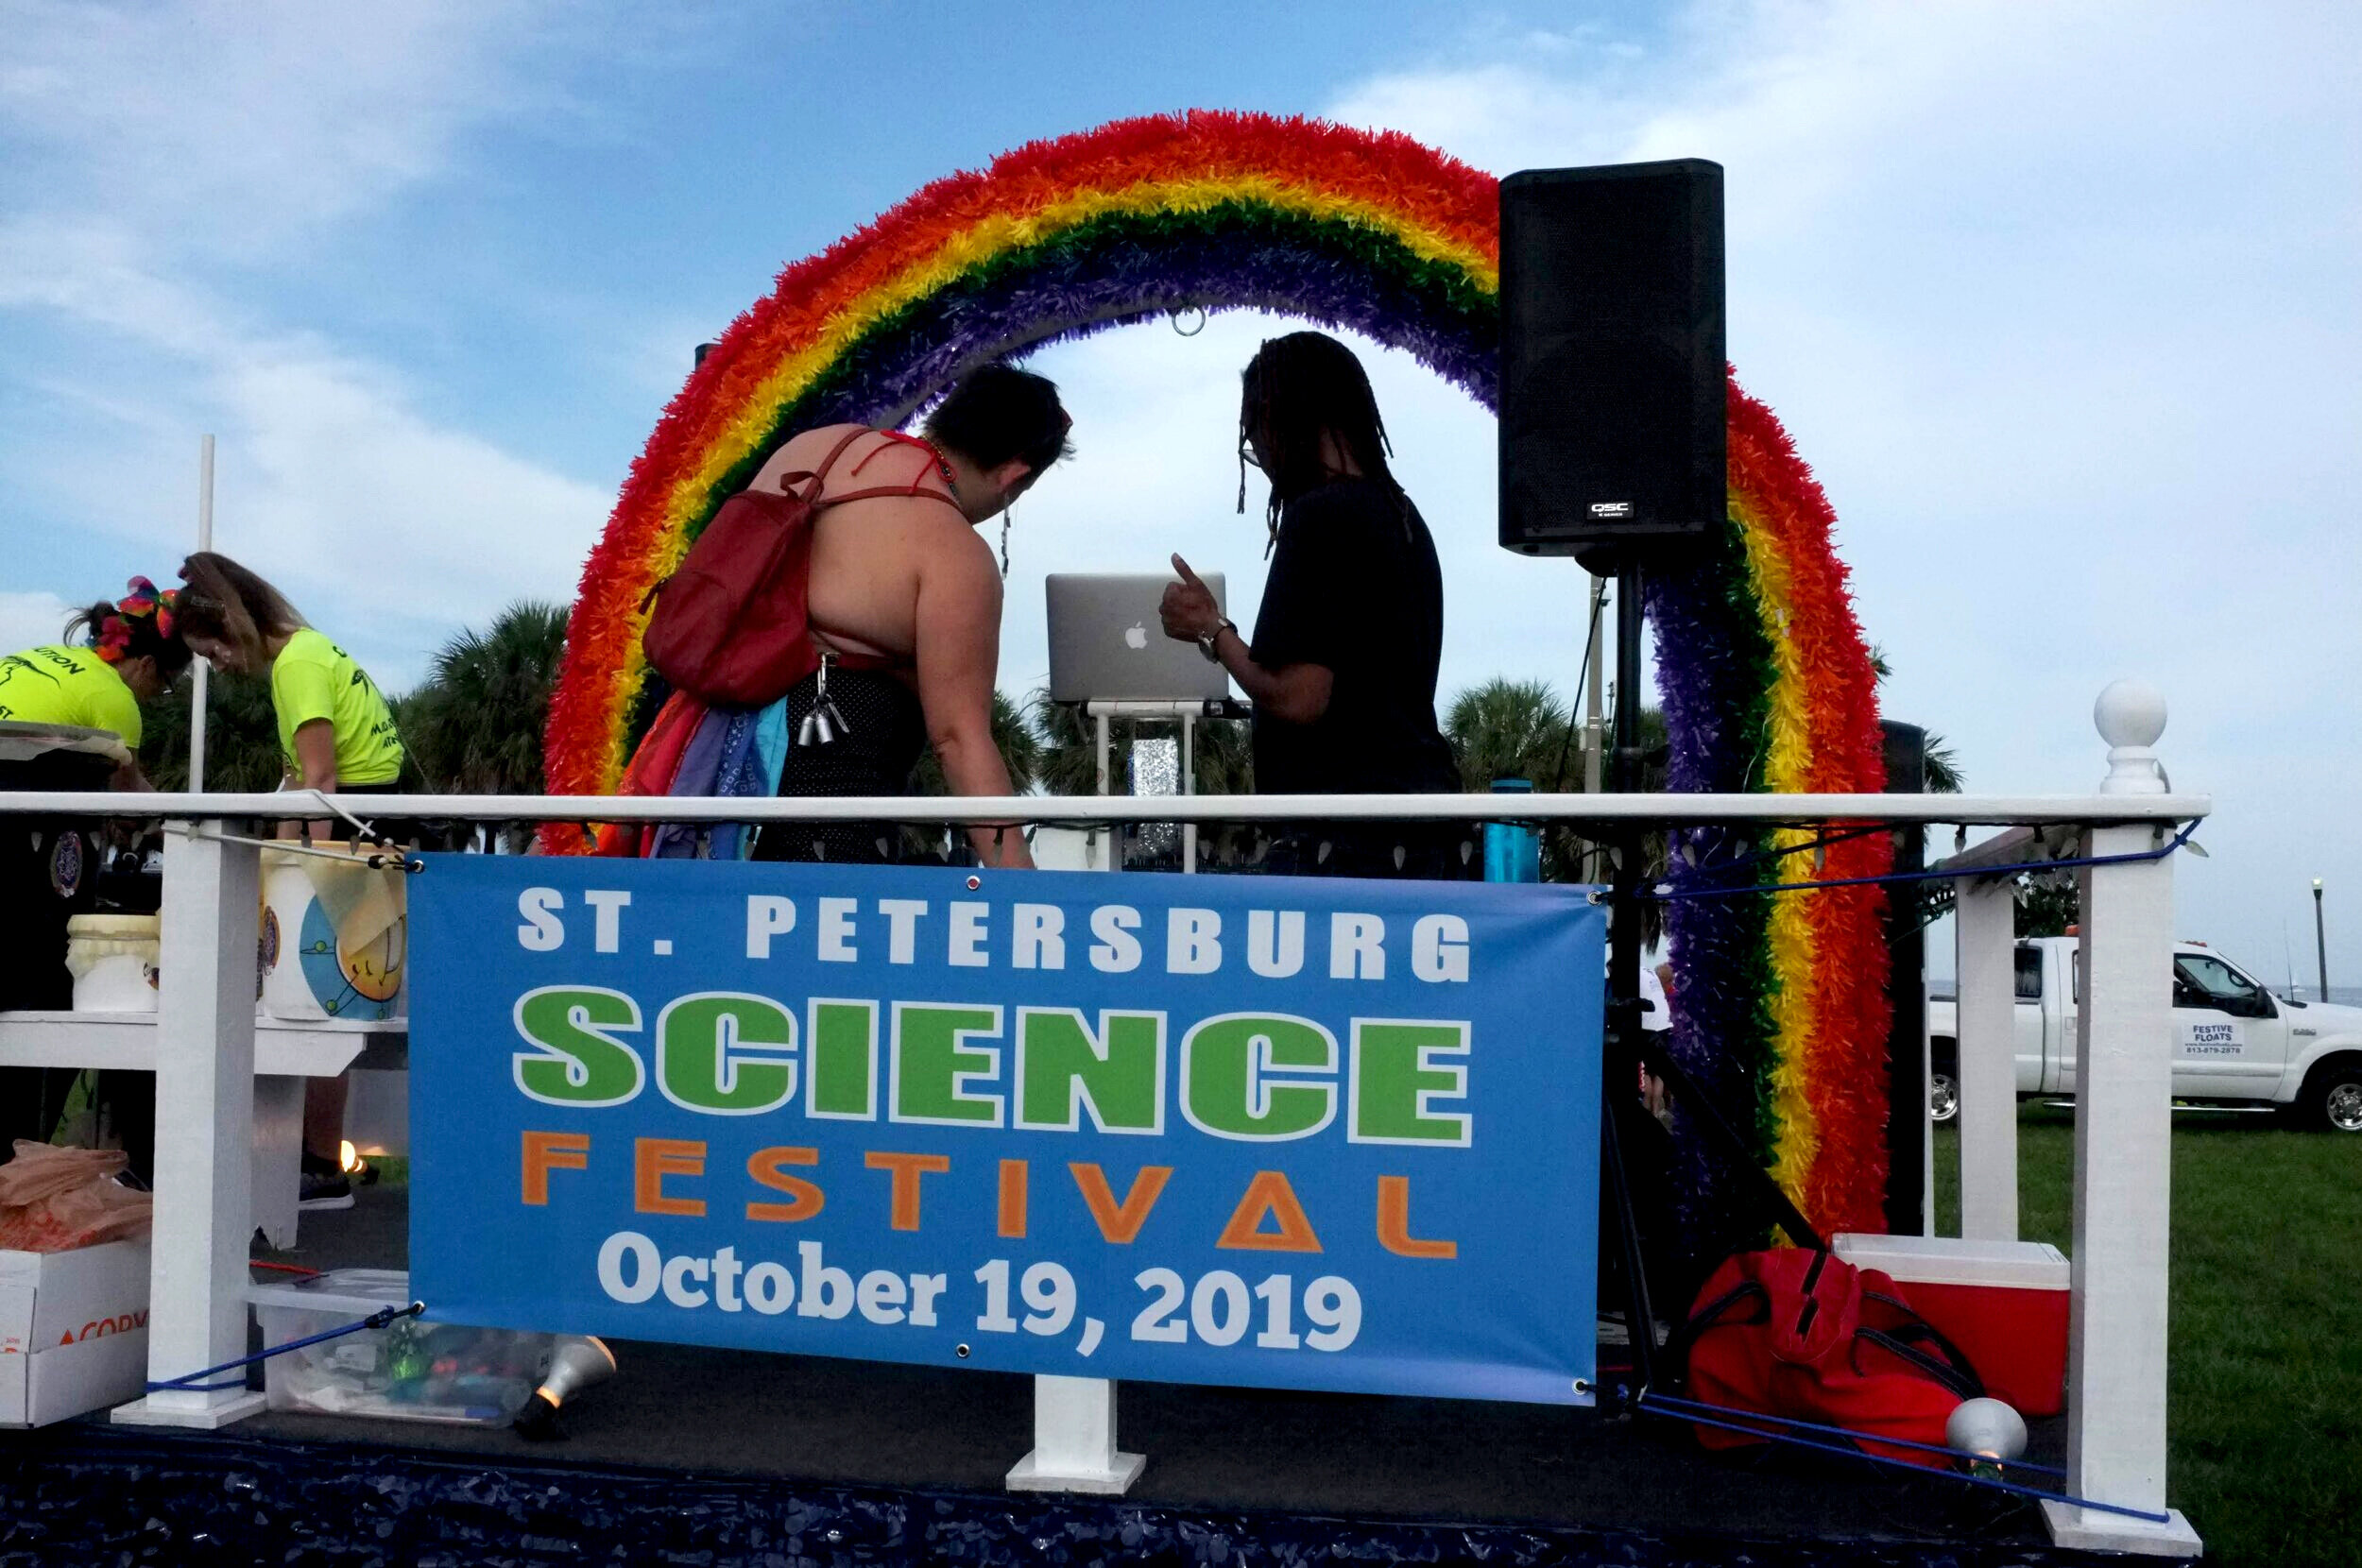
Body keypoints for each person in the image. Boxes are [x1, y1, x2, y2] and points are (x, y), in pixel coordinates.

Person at [1157, 331, 1470, 878]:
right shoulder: (1402, 515)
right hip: (1422, 824)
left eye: (1254, 437)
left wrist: (1211, 629)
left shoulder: (1321, 516)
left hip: (1344, 839)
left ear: (1281, 418)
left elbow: (1300, 697)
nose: (1261, 455)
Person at [745, 363, 1072, 869]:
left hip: (703, 775)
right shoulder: (956, 553)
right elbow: (958, 741)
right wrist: (1030, 895)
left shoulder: (818, 448)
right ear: (1014, 476)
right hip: (828, 820)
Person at [173, 552, 408, 1210]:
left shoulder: (299, 663)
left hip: (359, 823)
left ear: (233, 625)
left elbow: (321, 781)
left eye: (210, 648)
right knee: (314, 995)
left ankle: (320, 1164)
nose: (215, 663)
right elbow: (295, 784)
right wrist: (276, 863)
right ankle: (302, 1158)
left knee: (327, 999)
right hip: (360, 819)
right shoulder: (303, 655)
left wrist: (300, 872)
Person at [0, 580, 189, 1165]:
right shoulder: (115, 699)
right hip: (29, 853)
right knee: (48, 984)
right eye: (164, 685)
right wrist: (182, 827)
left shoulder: (33, 657)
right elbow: (132, 801)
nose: (156, 697)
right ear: (148, 665)